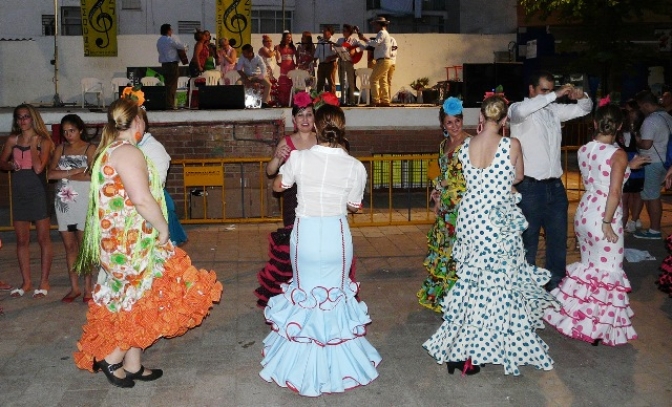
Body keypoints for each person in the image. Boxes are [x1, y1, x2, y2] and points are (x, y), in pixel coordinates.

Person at [73, 94, 222, 388]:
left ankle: (132, 364)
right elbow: (142, 199)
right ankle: (112, 356)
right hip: (131, 244)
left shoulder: (108, 150)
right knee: (145, 298)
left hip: (118, 244)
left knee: (133, 299)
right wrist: (164, 229)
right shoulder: (128, 152)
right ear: (137, 121)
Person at [423, 96, 559, 376]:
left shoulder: (467, 145)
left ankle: (461, 349)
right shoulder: (512, 145)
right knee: (495, 286)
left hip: (471, 218)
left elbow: (463, 177)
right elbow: (518, 176)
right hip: (496, 221)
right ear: (505, 120)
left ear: (480, 118)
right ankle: (479, 350)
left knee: (471, 283)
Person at [260, 103, 380, 396]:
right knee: (334, 298)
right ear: (342, 129)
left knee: (305, 296)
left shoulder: (299, 158)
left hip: (306, 237)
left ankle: (298, 365)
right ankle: (339, 366)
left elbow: (278, 187)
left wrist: (284, 168)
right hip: (337, 237)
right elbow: (355, 205)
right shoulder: (354, 166)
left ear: (316, 126)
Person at [544, 103, 646, 346]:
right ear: (620, 126)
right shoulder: (618, 154)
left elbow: (602, 173)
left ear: (594, 124)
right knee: (608, 272)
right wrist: (608, 222)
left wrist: (628, 168)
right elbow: (613, 191)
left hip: (584, 212)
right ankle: (596, 328)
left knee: (591, 271)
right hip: (603, 214)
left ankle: (580, 319)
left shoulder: (584, 149)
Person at [508, 71, 592, 291]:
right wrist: (554, 95)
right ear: (532, 90)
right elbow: (522, 111)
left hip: (555, 186)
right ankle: (525, 288)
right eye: (543, 90)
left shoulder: (553, 111)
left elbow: (585, 109)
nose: (548, 94)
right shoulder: (518, 109)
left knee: (557, 241)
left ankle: (556, 286)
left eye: (550, 89)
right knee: (528, 242)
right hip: (529, 187)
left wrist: (581, 95)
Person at [254, 91, 318, 307]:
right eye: (301, 116)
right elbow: (270, 172)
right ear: (294, 120)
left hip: (317, 200)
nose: (305, 120)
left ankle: (314, 288)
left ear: (314, 118)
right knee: (295, 244)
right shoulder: (287, 141)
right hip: (292, 199)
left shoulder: (322, 141)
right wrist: (277, 158)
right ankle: (291, 290)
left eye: (309, 115)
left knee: (316, 244)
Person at [417, 97, 470, 312]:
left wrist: (443, 183)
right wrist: (437, 193)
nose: (454, 126)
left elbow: (470, 175)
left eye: (457, 121)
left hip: (463, 205)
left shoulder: (470, 142)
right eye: (450, 123)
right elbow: (441, 173)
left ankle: (460, 299)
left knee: (458, 251)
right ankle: (445, 296)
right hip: (446, 206)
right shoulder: (443, 144)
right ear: (443, 125)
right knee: (444, 250)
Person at [0, 104, 54, 299]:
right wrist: (9, 164)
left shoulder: (43, 141)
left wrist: (32, 145)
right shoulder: (13, 140)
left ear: (33, 119)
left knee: (43, 238)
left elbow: (39, 169)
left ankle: (44, 281)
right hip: (19, 192)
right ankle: (27, 282)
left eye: (26, 117)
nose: (22, 121)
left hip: (38, 191)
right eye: (19, 117)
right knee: (22, 240)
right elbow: (1, 162)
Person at [48, 114, 94, 303]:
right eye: (65, 131)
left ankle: (88, 288)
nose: (68, 135)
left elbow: (92, 176)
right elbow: (50, 174)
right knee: (69, 246)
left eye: (72, 130)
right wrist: (75, 171)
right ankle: (74, 287)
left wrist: (65, 174)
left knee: (84, 246)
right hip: (64, 203)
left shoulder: (90, 148)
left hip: (83, 200)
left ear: (80, 129)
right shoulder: (60, 148)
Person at [137, 111, 188, 246]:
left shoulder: (153, 149)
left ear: (141, 124)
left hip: (152, 206)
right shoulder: (120, 147)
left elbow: (155, 185)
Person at [633, 90, 672, 239]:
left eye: (641, 107)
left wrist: (637, 139)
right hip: (665, 162)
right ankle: (654, 228)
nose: (641, 110)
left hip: (652, 162)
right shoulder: (668, 117)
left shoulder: (651, 120)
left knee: (652, 196)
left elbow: (647, 144)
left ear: (647, 105)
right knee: (653, 195)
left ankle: (654, 230)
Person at [619, 103, 645, 233]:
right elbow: (641, 145)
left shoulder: (616, 135)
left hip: (624, 166)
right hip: (637, 166)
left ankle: (623, 227)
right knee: (636, 195)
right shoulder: (635, 133)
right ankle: (635, 220)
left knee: (624, 199)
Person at [357, 17, 393, 107]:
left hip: (382, 60)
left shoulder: (381, 33)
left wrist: (364, 39)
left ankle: (375, 100)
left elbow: (374, 43)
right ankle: (385, 100)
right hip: (386, 60)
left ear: (379, 25)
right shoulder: (385, 33)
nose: (374, 27)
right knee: (383, 80)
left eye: (375, 25)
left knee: (373, 79)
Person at [156, 23, 186, 109]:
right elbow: (181, 46)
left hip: (164, 64)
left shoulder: (159, 40)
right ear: (168, 31)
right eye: (171, 30)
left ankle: (167, 103)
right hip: (172, 64)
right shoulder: (170, 40)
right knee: (172, 85)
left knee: (167, 84)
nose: (172, 31)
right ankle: (170, 104)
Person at [336, 24, 359, 106]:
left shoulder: (354, 40)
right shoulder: (339, 40)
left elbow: (359, 48)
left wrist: (354, 50)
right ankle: (343, 101)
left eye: (345, 31)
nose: (343, 32)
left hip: (349, 62)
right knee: (342, 81)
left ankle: (352, 101)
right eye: (343, 30)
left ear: (349, 32)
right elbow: (336, 50)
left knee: (351, 82)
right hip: (341, 61)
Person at [275, 31, 296, 107]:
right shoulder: (280, 46)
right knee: (283, 85)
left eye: (290, 37)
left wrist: (296, 64)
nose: (289, 39)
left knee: (291, 85)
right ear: (284, 38)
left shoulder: (293, 47)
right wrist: (277, 50)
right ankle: (283, 103)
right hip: (284, 66)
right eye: (287, 37)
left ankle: (291, 102)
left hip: (291, 65)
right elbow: (277, 58)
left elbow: (297, 56)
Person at [314, 26, 337, 93]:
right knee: (320, 82)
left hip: (331, 64)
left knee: (331, 82)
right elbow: (317, 51)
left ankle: (332, 100)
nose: (323, 32)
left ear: (330, 32)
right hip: (322, 64)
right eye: (323, 31)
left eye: (325, 31)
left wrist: (331, 57)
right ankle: (319, 100)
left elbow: (338, 53)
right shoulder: (320, 41)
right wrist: (315, 60)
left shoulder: (335, 40)